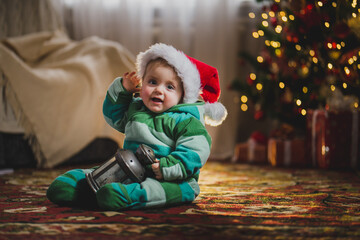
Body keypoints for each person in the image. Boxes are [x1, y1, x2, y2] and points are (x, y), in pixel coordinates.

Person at [46, 43, 227, 210]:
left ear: (182, 96)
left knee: (156, 190)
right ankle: (77, 186)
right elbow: (113, 116)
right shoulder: (137, 109)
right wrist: (123, 91)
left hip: (172, 178)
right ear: (142, 83)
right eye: (153, 82)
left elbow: (195, 151)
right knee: (99, 173)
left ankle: (127, 196)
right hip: (128, 169)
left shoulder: (185, 121)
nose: (158, 90)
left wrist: (166, 167)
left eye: (169, 87)